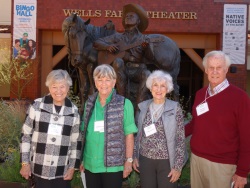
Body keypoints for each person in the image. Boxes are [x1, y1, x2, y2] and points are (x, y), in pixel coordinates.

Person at [185, 50, 250, 188]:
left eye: (219, 67)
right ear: (206, 70)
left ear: (226, 69)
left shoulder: (240, 98)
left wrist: (242, 172)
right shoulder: (200, 94)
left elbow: (247, 136)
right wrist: (169, 132)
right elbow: (194, 124)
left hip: (223, 166)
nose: (214, 71)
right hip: (197, 160)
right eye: (211, 68)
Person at [20, 69, 82, 188]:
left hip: (62, 171)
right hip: (38, 169)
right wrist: (25, 163)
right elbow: (26, 135)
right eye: (54, 86)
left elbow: (76, 141)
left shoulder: (73, 111)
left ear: (68, 87)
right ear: (49, 87)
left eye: (62, 86)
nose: (58, 91)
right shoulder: (37, 106)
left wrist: (72, 167)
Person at [80, 64, 138, 188]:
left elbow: (129, 135)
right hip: (90, 164)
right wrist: (82, 159)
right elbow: (84, 132)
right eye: (100, 80)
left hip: (113, 166)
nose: (103, 84)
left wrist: (128, 160)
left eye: (107, 80)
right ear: (95, 82)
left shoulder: (124, 104)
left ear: (114, 82)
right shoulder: (89, 103)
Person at [133, 70, 186, 188]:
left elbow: (180, 139)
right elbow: (138, 135)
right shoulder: (143, 107)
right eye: (155, 85)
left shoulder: (175, 108)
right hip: (145, 160)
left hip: (167, 162)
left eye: (163, 86)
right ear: (150, 88)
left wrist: (177, 167)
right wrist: (135, 156)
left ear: (167, 89)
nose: (159, 89)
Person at [93, 3, 154, 105]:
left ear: (138, 21)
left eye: (131, 16)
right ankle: (121, 102)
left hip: (137, 69)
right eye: (126, 16)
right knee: (117, 61)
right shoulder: (117, 37)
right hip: (122, 69)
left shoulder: (144, 39)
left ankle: (138, 108)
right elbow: (96, 43)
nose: (128, 17)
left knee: (147, 74)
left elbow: (150, 58)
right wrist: (107, 47)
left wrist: (147, 48)